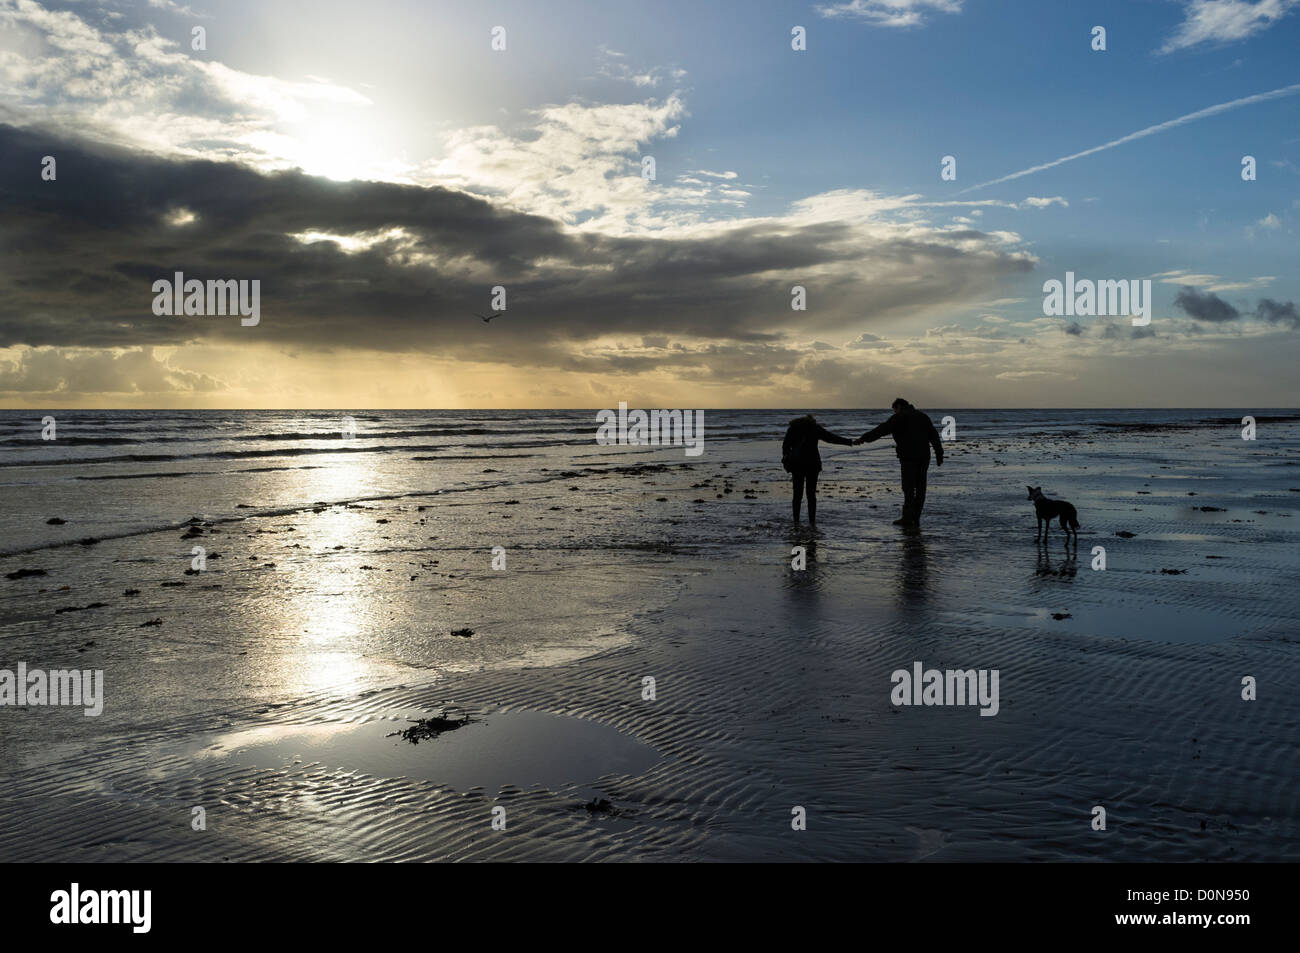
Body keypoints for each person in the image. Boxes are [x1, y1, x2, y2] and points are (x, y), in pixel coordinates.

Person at [854, 398, 944, 527]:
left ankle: (907, 518)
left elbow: (882, 429)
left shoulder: (900, 417)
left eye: (895, 410)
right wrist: (939, 454)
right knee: (920, 487)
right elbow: (934, 436)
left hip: (908, 457)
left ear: (899, 407)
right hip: (924, 456)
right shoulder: (923, 416)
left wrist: (863, 439)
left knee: (908, 488)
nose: (894, 412)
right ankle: (916, 517)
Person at [781, 414, 853, 523]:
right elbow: (831, 438)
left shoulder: (793, 428)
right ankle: (812, 522)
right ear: (812, 421)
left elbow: (785, 446)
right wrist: (849, 442)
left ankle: (796, 521)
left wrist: (787, 456)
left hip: (797, 465)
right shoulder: (814, 428)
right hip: (812, 464)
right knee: (811, 495)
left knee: (797, 495)